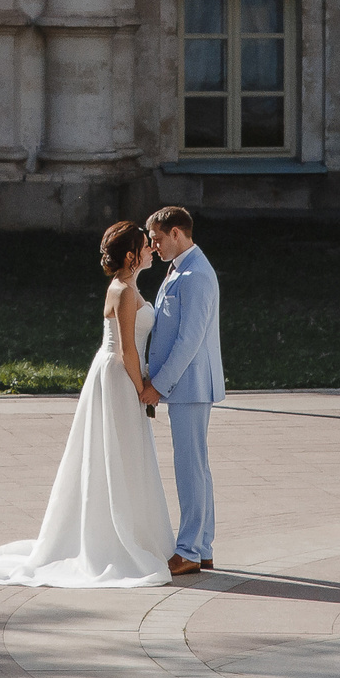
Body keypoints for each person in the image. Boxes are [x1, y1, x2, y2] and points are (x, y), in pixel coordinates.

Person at [0, 221, 173, 588]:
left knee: (125, 454)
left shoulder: (129, 287)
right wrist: (142, 389)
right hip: (119, 377)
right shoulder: (123, 292)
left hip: (118, 373)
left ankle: (131, 530)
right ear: (132, 256)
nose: (151, 248)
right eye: (145, 246)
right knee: (117, 453)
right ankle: (113, 538)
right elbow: (127, 350)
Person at [140, 205, 223, 575]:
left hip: (190, 385)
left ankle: (189, 549)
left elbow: (190, 340)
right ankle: (202, 545)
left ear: (177, 233)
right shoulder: (181, 269)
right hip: (187, 385)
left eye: (157, 239)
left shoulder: (197, 275)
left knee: (190, 467)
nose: (153, 247)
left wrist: (159, 385)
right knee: (197, 466)